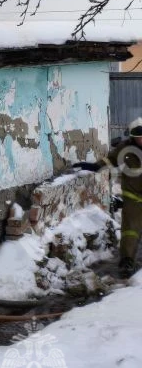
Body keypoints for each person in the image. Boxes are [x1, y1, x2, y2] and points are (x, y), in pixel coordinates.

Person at [76, 118, 142, 277]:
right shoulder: (124, 148)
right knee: (130, 230)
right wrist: (95, 166)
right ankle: (127, 260)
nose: (141, 139)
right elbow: (110, 160)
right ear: (132, 137)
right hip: (133, 196)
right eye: (138, 136)